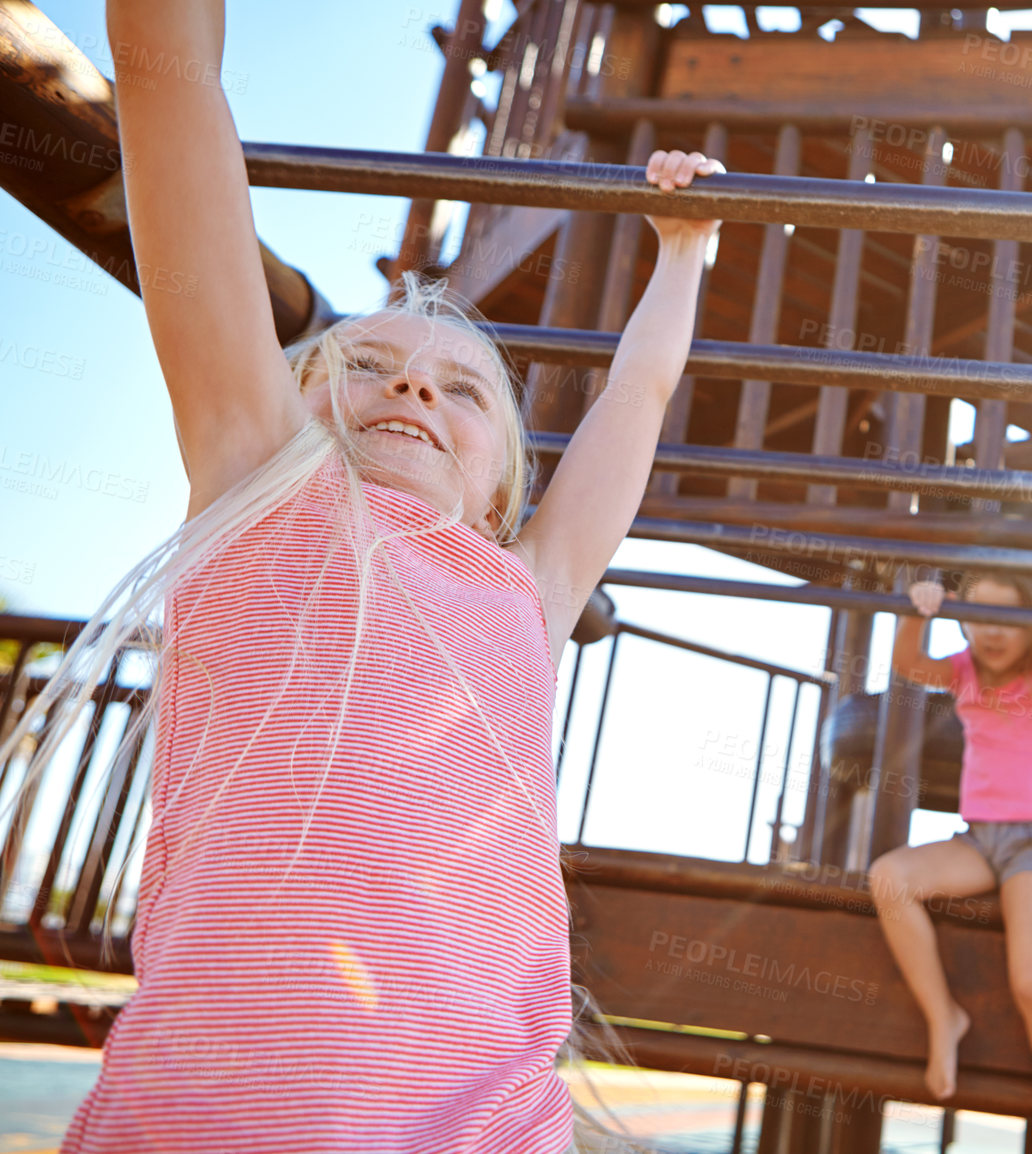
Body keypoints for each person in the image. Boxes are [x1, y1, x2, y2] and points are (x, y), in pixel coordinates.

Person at [0, 3, 725, 1150]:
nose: (413, 389)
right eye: (369, 365)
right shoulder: (260, 488)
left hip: (480, 1122)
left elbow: (632, 401)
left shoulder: (525, 593)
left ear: (501, 492)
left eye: (464, 389)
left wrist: (682, 253)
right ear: (297, 404)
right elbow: (171, 96)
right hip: (208, 1114)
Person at [869, 573, 1032, 1154]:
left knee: (1030, 977)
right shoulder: (963, 669)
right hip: (979, 841)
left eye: (1008, 620)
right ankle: (943, 1017)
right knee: (888, 879)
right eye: (977, 619)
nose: (992, 633)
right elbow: (909, 663)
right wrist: (916, 613)